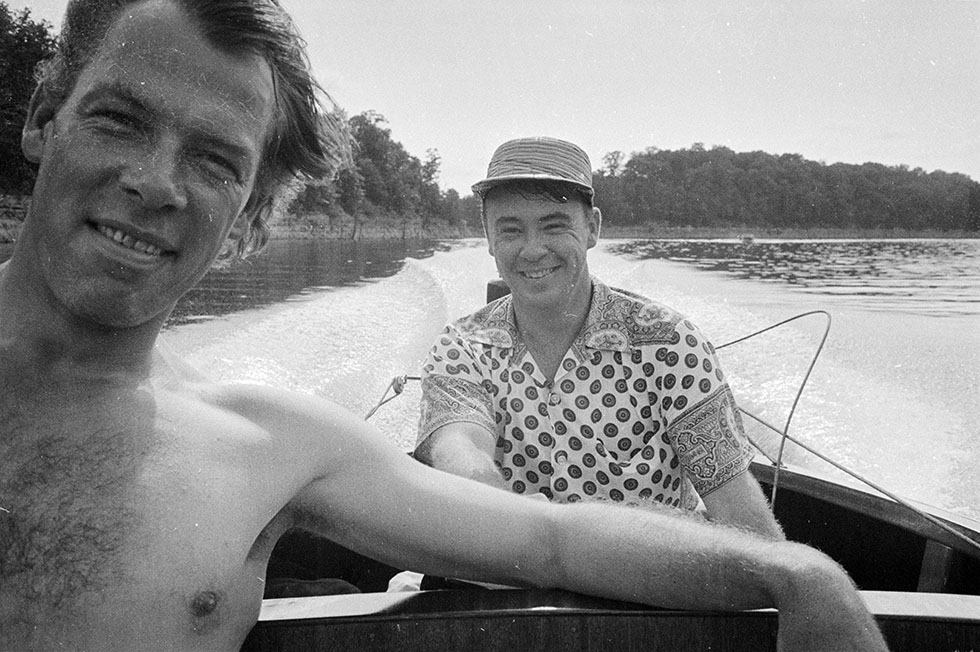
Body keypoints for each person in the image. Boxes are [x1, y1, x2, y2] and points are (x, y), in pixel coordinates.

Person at [0, 1, 887, 651]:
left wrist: (794, 570)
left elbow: (565, 537)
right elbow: (471, 463)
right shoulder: (465, 345)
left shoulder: (270, 443)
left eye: (215, 161)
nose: (157, 183)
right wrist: (475, 492)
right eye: (119, 120)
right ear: (44, 119)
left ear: (250, 216)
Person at [415, 136, 783, 538]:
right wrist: (508, 509)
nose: (532, 250)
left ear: (592, 228)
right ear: (488, 237)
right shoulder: (462, 347)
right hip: (507, 570)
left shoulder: (669, 346)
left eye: (554, 226)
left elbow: (743, 518)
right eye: (511, 230)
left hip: (651, 573)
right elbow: (461, 449)